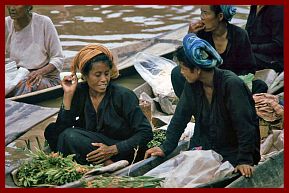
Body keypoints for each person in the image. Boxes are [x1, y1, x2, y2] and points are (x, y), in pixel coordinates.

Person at [145, 34, 261, 178]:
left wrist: (244, 160)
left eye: (183, 68)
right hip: (207, 145)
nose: (181, 72)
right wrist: (166, 147)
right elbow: (180, 117)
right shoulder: (192, 85)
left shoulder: (231, 85)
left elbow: (245, 125)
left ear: (197, 70)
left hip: (233, 150)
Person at [44, 44, 153, 166]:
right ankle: (103, 163)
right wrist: (68, 95)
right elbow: (61, 128)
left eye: (106, 74)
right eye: (97, 75)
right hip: (94, 147)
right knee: (51, 130)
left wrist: (112, 149)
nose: (104, 79)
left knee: (70, 136)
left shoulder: (123, 96)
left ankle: (110, 164)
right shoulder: (80, 92)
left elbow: (146, 133)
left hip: (124, 150)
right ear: (85, 76)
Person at [172, 5, 267, 97]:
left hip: (230, 85)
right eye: (201, 13)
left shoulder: (239, 35)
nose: (202, 17)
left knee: (260, 85)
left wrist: (229, 82)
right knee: (177, 73)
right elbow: (187, 64)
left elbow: (249, 69)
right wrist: (190, 37)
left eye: (205, 13)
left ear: (220, 16)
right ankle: (196, 103)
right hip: (206, 84)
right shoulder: (201, 34)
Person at [5, 5, 64, 96]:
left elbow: (58, 58)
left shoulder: (44, 22)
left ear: (29, 5)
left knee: (25, 84)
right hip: (18, 74)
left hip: (45, 77)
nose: (12, 8)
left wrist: (39, 72)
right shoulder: (6, 23)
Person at [245, 5, 284, 73]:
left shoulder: (278, 9)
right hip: (255, 52)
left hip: (274, 59)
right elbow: (248, 33)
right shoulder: (254, 6)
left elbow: (279, 45)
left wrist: (252, 47)